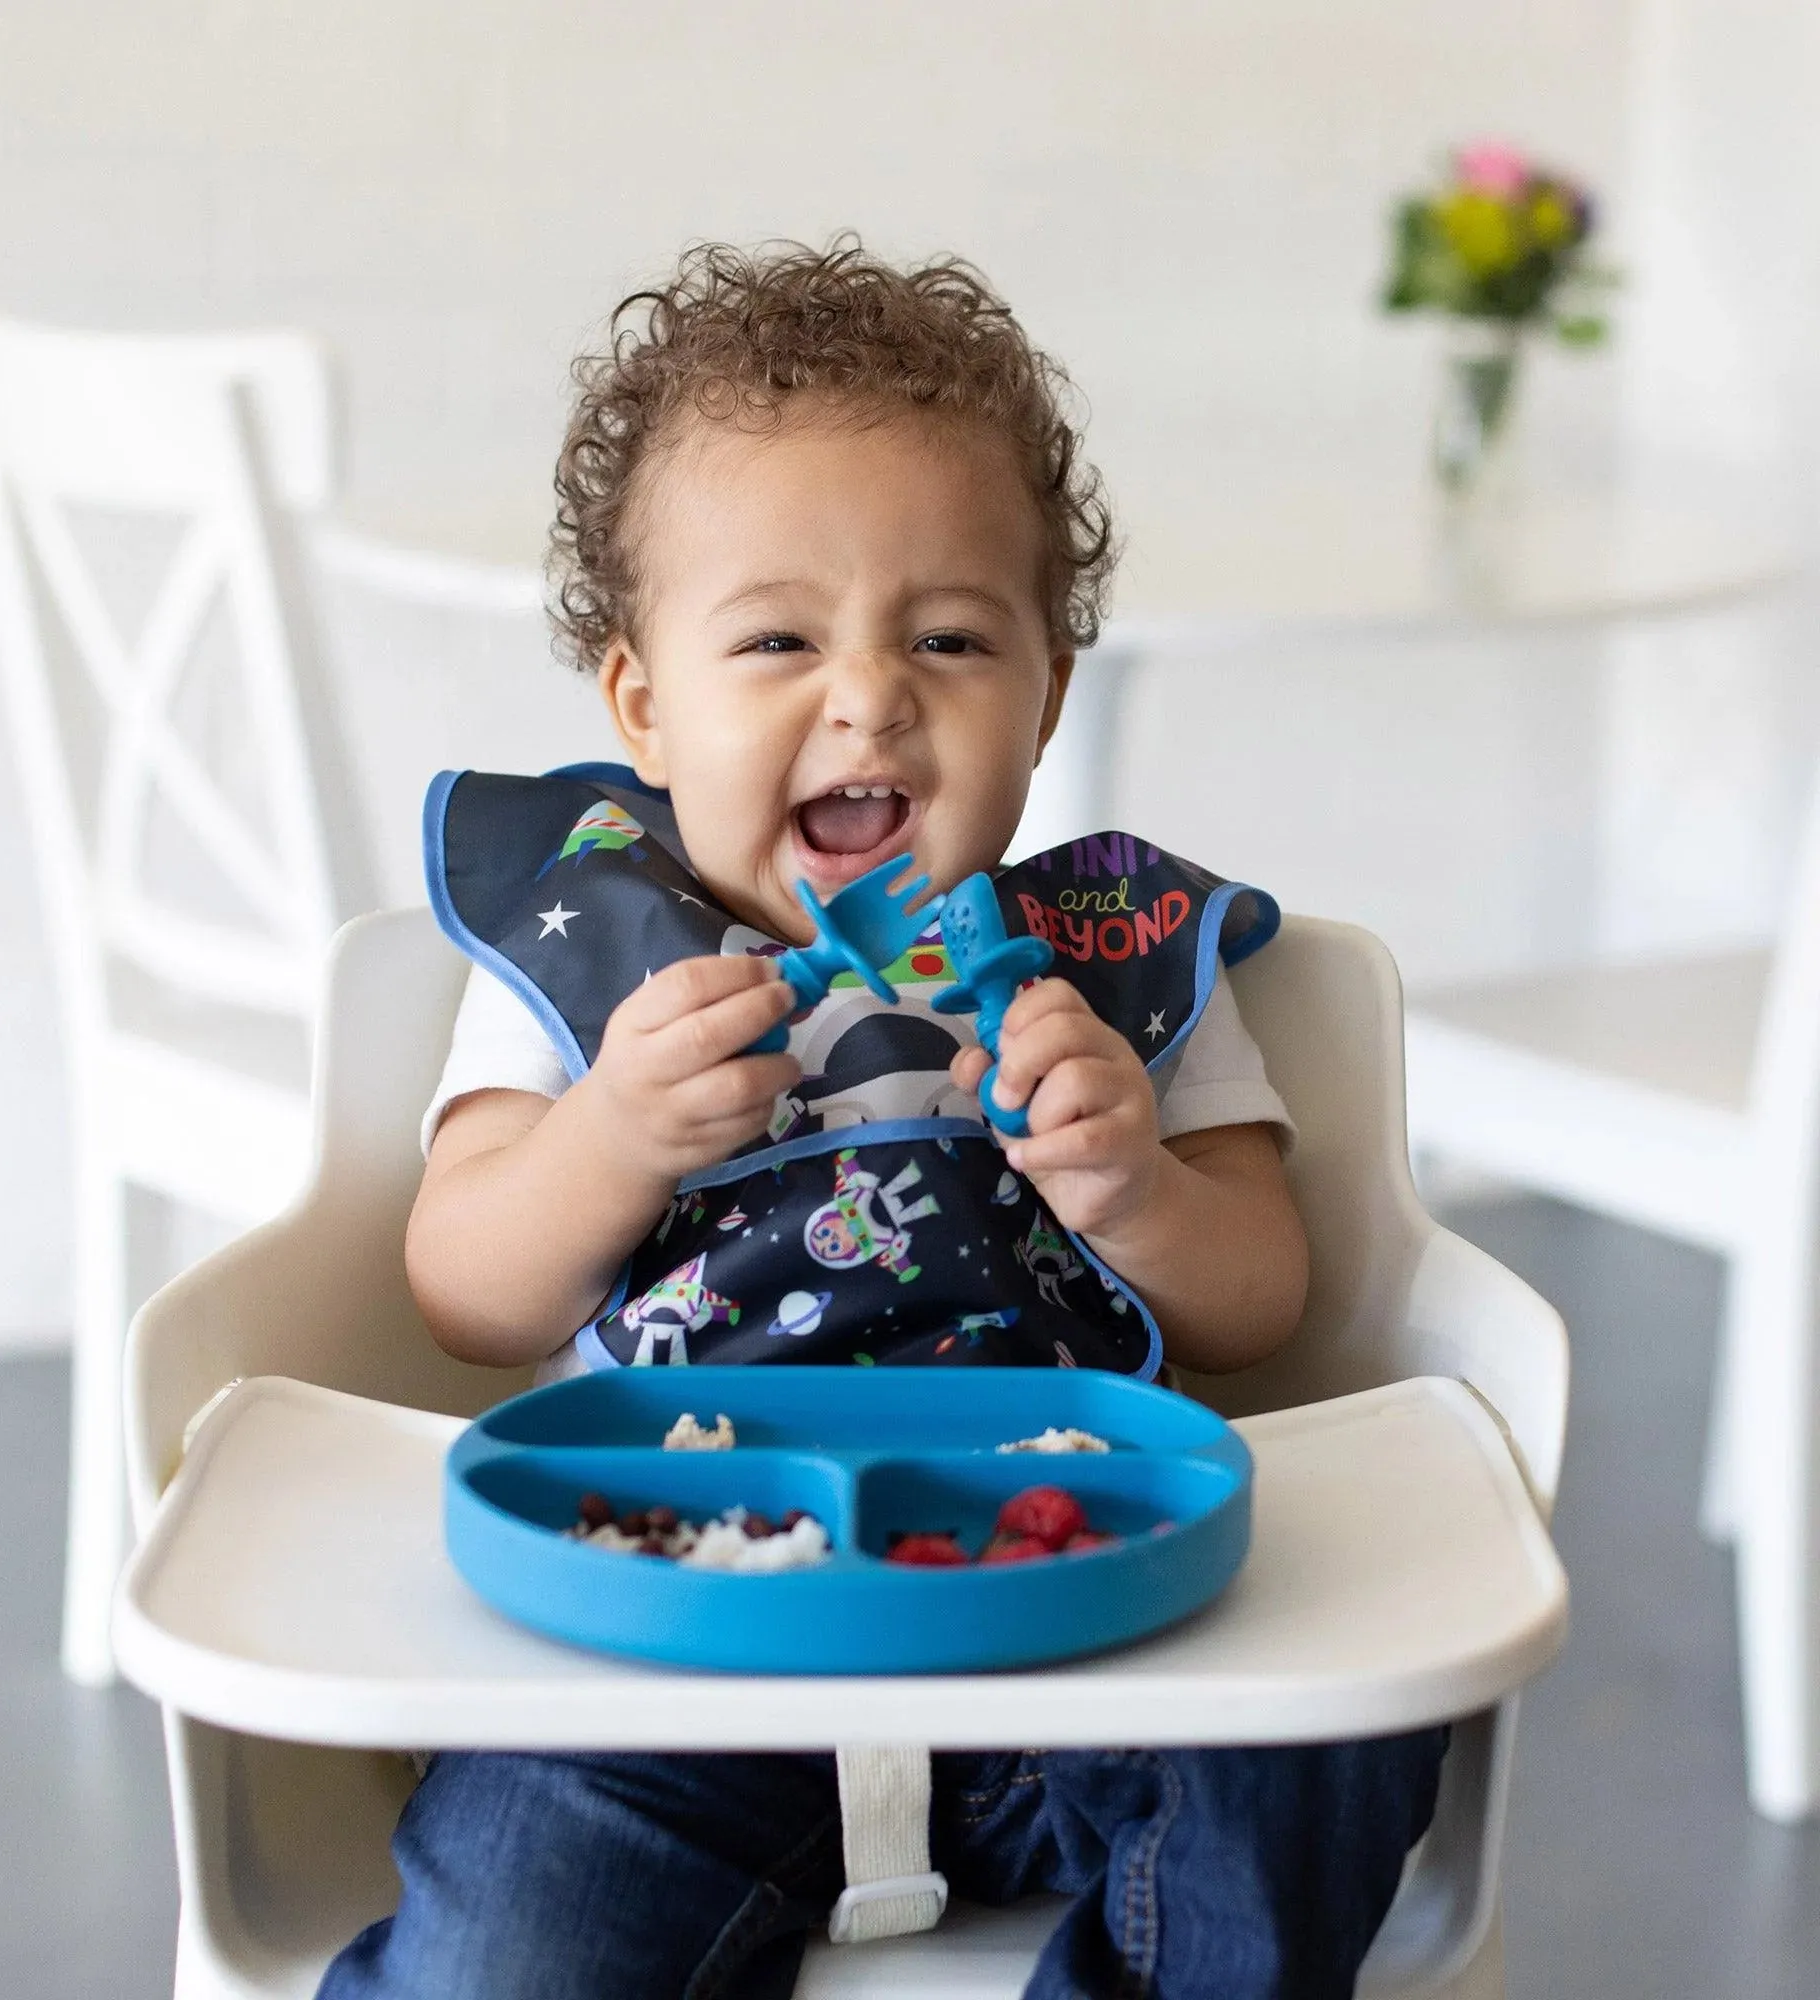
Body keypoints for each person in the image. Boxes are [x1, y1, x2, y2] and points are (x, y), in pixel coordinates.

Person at [320, 239, 1445, 2000]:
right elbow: (466, 1291)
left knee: (1339, 1736)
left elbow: (1257, 1299)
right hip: (680, 1639)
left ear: (1048, 692)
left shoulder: (1112, 967)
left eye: (949, 636)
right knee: (507, 1932)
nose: (869, 694)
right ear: (643, 703)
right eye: (776, 637)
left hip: (1070, 1614)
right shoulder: (587, 955)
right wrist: (611, 1134)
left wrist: (1130, 1178)